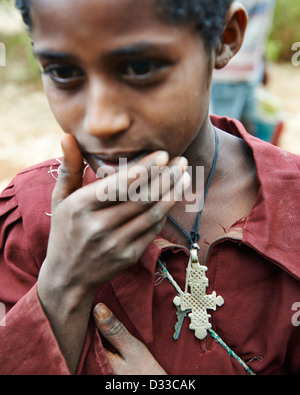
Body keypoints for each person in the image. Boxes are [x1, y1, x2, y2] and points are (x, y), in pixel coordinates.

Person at [0, 0, 299, 376]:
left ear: (224, 38)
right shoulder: (27, 225)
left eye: (140, 68)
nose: (103, 121)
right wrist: (63, 284)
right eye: (63, 71)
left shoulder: (294, 203)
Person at [211, 0, 276, 134]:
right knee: (222, 136)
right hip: (226, 76)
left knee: (248, 135)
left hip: (249, 73)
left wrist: (262, 62)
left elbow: (257, 25)